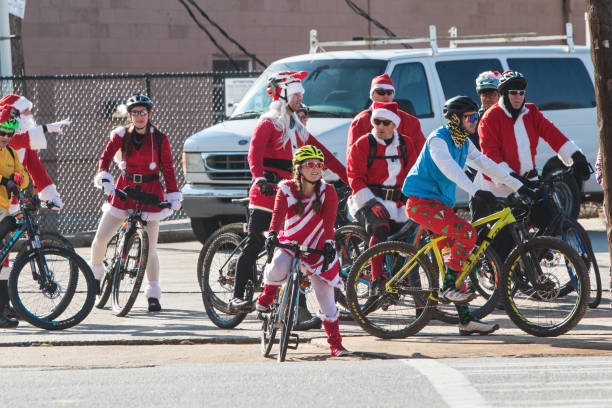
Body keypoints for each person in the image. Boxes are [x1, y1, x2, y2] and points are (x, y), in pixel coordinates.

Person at [402, 96, 535, 335]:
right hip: (421, 203)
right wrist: (475, 191)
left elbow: (486, 163)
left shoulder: (463, 141)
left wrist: (518, 186)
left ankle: (465, 320)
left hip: (439, 205)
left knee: (457, 259)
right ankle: (448, 287)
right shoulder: (438, 141)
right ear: (456, 119)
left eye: (476, 117)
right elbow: (449, 169)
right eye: (470, 118)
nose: (475, 121)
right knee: (467, 233)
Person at [229, 71, 348, 312]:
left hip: (291, 195)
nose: (299, 99)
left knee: (296, 247)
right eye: (295, 95)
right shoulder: (269, 122)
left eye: (300, 95)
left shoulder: (298, 129)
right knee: (256, 242)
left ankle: (297, 307)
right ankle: (237, 295)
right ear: (282, 94)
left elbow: (323, 154)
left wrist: (350, 179)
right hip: (266, 192)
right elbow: (254, 153)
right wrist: (260, 177)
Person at [475, 70, 591, 262]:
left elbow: (552, 134)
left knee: (549, 218)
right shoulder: (490, 118)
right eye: (513, 92)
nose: (518, 97)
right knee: (504, 242)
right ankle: (499, 278)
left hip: (529, 180)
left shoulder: (531, 112)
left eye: (521, 93)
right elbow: (491, 157)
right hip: (499, 186)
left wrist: (576, 156)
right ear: (503, 93)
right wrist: (515, 180)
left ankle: (531, 264)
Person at [90, 94, 181, 312]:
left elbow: (168, 169)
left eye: (143, 112)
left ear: (149, 114)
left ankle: (152, 293)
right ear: (130, 115)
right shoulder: (121, 135)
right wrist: (104, 177)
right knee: (102, 236)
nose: (139, 116)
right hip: (125, 189)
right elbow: (105, 157)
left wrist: (173, 196)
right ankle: (95, 274)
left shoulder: (160, 138)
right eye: (135, 113)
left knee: (149, 248)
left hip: (151, 192)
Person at [255, 145, 348, 356]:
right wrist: (272, 234)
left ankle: (335, 343)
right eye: (310, 165)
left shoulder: (328, 191)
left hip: (318, 247)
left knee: (327, 297)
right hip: (291, 244)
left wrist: (328, 244)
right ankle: (268, 295)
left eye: (319, 165)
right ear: (299, 169)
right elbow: (277, 215)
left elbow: (329, 222)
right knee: (277, 267)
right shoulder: (287, 188)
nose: (316, 168)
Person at [0, 94, 69, 320]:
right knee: (3, 250)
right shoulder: (10, 138)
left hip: (13, 200)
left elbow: (34, 170)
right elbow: (18, 139)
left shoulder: (18, 145)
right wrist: (47, 128)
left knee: (6, 250)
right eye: (26, 112)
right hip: (1, 201)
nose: (30, 115)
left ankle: (5, 305)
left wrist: (47, 194)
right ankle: (3, 306)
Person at [346, 101, 418, 296]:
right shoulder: (363, 144)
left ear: (395, 124)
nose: (381, 127)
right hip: (366, 200)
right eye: (377, 122)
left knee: (415, 232)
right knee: (381, 228)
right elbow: (354, 178)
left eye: (386, 123)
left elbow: (413, 173)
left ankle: (406, 281)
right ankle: (377, 280)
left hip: (398, 202)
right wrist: (371, 202)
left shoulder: (406, 144)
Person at [0, 108, 30, 328]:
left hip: (3, 208)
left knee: (2, 259)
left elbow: (25, 177)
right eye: (2, 131)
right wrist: (5, 181)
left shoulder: (10, 153)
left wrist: (20, 179)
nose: (5, 137)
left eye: (9, 134)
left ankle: (2, 308)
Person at [346, 73, 425, 155]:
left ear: (393, 95)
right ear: (372, 95)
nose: (385, 96)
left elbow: (422, 154)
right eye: (380, 92)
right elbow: (352, 157)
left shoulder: (409, 121)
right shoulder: (360, 121)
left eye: (389, 92)